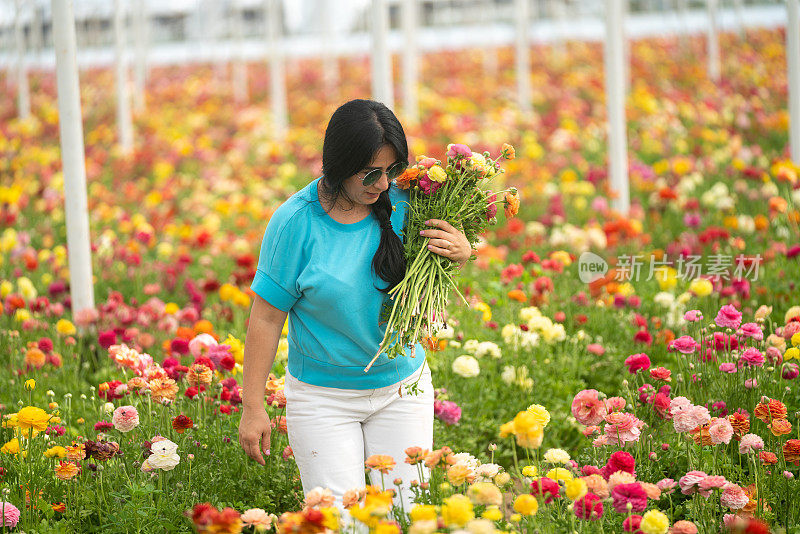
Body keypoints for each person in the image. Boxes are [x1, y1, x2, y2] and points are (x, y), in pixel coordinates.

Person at [237, 99, 472, 513]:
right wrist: (253, 407)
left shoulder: (409, 202)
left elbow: (436, 270)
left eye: (392, 170)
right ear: (338, 164)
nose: (383, 184)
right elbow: (267, 316)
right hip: (322, 399)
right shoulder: (296, 222)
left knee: (406, 515)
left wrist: (461, 251)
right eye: (370, 173)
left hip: (403, 388)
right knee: (340, 521)